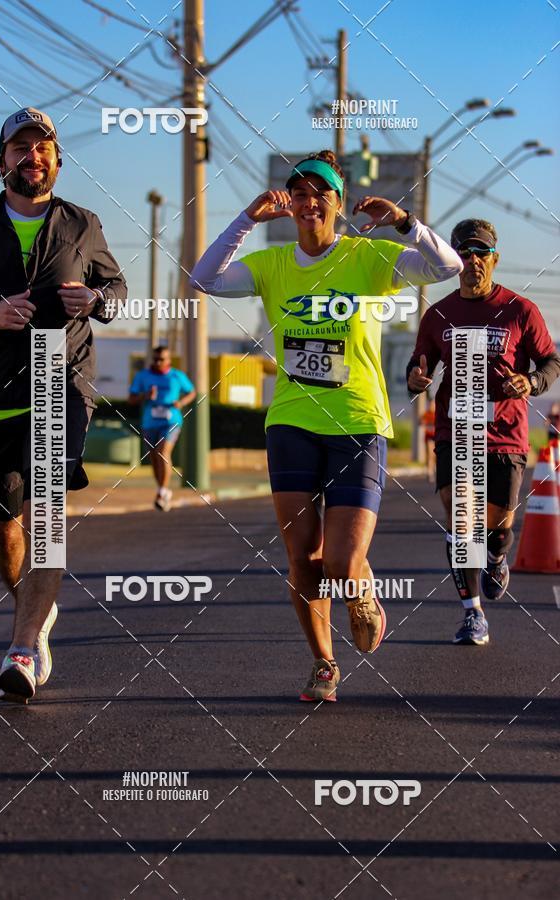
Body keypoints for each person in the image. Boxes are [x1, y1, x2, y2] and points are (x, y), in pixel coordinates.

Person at [190, 149, 462, 702]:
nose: (311, 201)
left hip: (358, 421)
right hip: (291, 421)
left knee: (340, 561)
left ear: (338, 205)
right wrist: (247, 219)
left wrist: (405, 223)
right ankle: (323, 664)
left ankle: (361, 592)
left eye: (323, 194)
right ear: (291, 203)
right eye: (302, 192)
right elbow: (203, 279)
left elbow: (447, 268)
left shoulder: (367, 258)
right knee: (302, 557)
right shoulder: (273, 266)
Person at [0, 107, 127, 701]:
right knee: (5, 524)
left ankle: (23, 646)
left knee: (48, 512)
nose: (32, 157)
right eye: (20, 148)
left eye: (43, 148)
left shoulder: (83, 224)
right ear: (1, 159)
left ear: (58, 158)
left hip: (62, 381)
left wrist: (99, 298)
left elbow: (118, 287)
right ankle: (35, 611)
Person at [407, 218, 560, 646]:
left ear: (495, 258)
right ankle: (473, 613)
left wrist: (531, 382)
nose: (473, 261)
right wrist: (415, 378)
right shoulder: (438, 314)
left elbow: (551, 362)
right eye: (465, 253)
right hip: (455, 430)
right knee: (462, 523)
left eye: (481, 253)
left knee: (496, 523)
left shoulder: (519, 310)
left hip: (506, 434)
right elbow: (420, 364)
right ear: (455, 259)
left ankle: (497, 554)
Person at [129, 345, 196, 510]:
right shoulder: (142, 376)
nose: (158, 362)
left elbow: (192, 392)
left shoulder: (176, 376)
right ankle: (162, 491)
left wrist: (181, 402)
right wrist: (145, 396)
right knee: (154, 458)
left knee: (163, 452)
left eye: (162, 359)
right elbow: (131, 399)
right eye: (156, 359)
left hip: (171, 421)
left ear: (169, 360)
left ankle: (162, 491)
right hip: (149, 423)